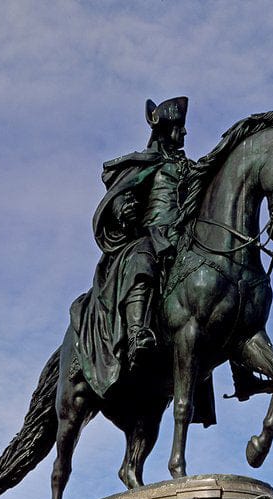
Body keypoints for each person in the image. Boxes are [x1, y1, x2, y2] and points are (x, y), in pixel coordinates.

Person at [73, 97, 190, 397]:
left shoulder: (189, 167)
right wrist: (123, 208)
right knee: (142, 257)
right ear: (166, 129)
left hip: (183, 237)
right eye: (179, 127)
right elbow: (120, 193)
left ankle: (239, 368)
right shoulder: (146, 163)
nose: (184, 132)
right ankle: (137, 333)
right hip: (151, 235)